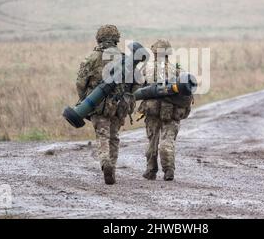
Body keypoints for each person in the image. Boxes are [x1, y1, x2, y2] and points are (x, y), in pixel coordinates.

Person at [76, 25, 135, 185]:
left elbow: (81, 82)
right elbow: (136, 83)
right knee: (114, 137)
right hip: (118, 105)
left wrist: (84, 101)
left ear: (99, 38)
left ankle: (105, 162)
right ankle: (112, 168)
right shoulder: (124, 58)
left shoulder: (91, 57)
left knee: (102, 135)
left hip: (97, 104)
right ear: (116, 39)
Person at [137, 39, 193, 181]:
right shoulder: (178, 70)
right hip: (171, 112)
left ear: (154, 52)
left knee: (152, 141)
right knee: (167, 141)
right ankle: (168, 171)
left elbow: (137, 90)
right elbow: (187, 92)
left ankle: (151, 171)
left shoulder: (146, 69)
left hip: (152, 111)